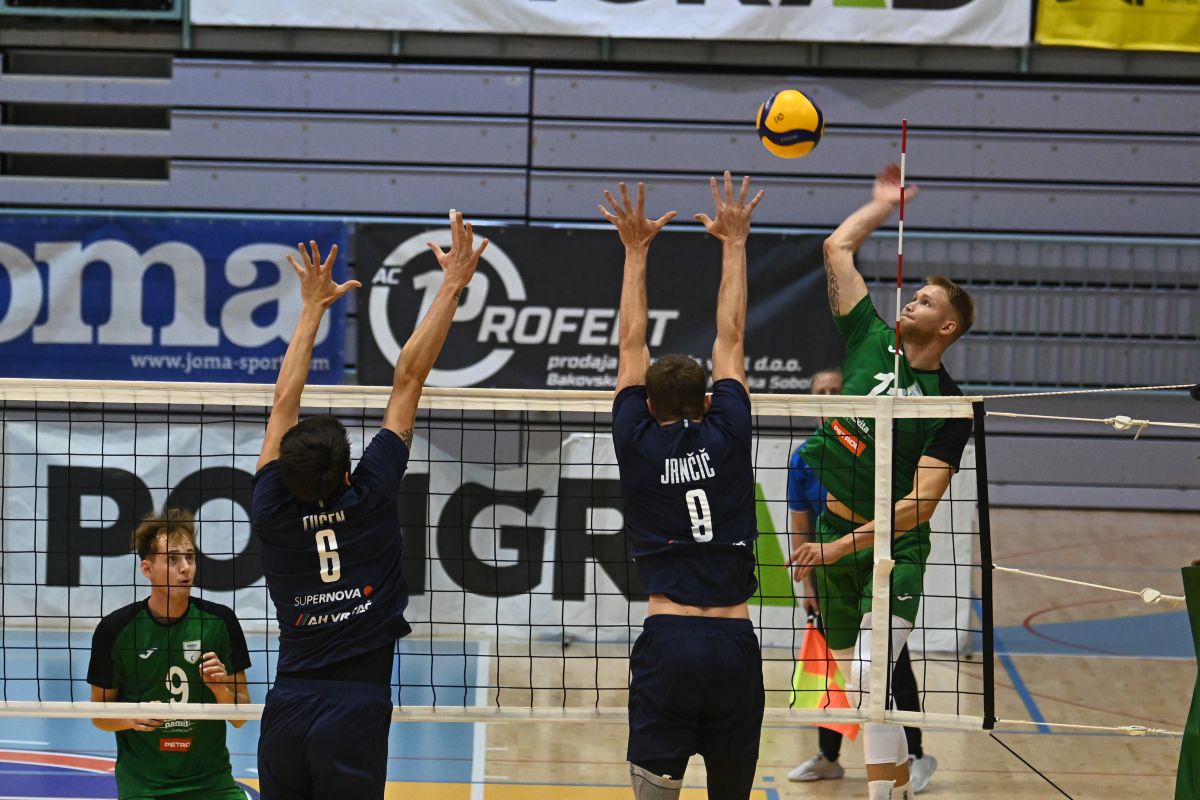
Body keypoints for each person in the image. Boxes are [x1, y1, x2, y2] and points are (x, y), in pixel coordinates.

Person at [251, 216, 487, 799]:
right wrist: (452, 284)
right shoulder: (371, 494)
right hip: (356, 712)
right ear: (346, 472)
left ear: (285, 469)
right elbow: (409, 378)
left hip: (287, 705)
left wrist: (311, 308)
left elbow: (283, 401)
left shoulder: (270, 509)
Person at [790, 164, 974, 800]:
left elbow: (919, 505)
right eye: (913, 295)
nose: (911, 301)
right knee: (856, 686)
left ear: (947, 328)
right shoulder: (868, 335)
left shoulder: (948, 405)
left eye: (926, 301)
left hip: (892, 550)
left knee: (872, 679)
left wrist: (842, 546)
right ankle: (887, 784)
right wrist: (881, 204)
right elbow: (836, 248)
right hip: (834, 533)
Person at [602, 172, 764, 800]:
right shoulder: (729, 431)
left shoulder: (635, 439)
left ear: (646, 405)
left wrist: (634, 250)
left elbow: (630, 342)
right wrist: (734, 243)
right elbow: (732, 336)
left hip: (668, 642)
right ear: (708, 400)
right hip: (734, 642)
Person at [786, 368, 938, 793]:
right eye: (822, 391)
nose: (830, 396)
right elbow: (800, 522)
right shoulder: (805, 457)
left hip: (879, 556)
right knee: (844, 674)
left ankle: (915, 754)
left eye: (836, 389)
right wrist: (808, 584)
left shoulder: (878, 447)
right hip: (831, 565)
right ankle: (833, 757)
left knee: (883, 668)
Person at [88, 508, 251, 800]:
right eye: (173, 559)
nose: (185, 567)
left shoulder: (220, 622)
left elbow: (241, 717)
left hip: (211, 783)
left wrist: (220, 690)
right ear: (147, 568)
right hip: (144, 787)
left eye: (190, 557)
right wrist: (132, 718)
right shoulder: (115, 629)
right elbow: (99, 716)